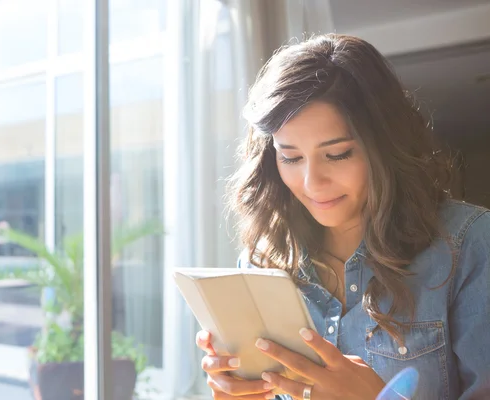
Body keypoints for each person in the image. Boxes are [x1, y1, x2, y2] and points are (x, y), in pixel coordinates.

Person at [195, 34, 490, 400]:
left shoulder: (470, 246)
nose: (311, 183)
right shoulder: (262, 262)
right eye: (290, 157)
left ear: (385, 146)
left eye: (337, 155)